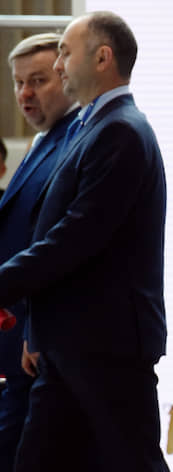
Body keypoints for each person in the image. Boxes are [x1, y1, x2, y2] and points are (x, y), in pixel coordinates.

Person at [0, 11, 168, 471]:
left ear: (102, 57)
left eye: (65, 54)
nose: (58, 65)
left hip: (106, 344)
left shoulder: (120, 130)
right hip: (72, 340)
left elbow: (75, 237)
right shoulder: (94, 127)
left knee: (133, 461)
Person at [0, 33, 77, 472]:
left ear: (66, 76)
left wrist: (33, 327)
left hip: (39, 337)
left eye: (38, 80)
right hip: (20, 334)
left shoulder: (76, 141)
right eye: (18, 83)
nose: (25, 93)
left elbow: (58, 246)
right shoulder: (42, 142)